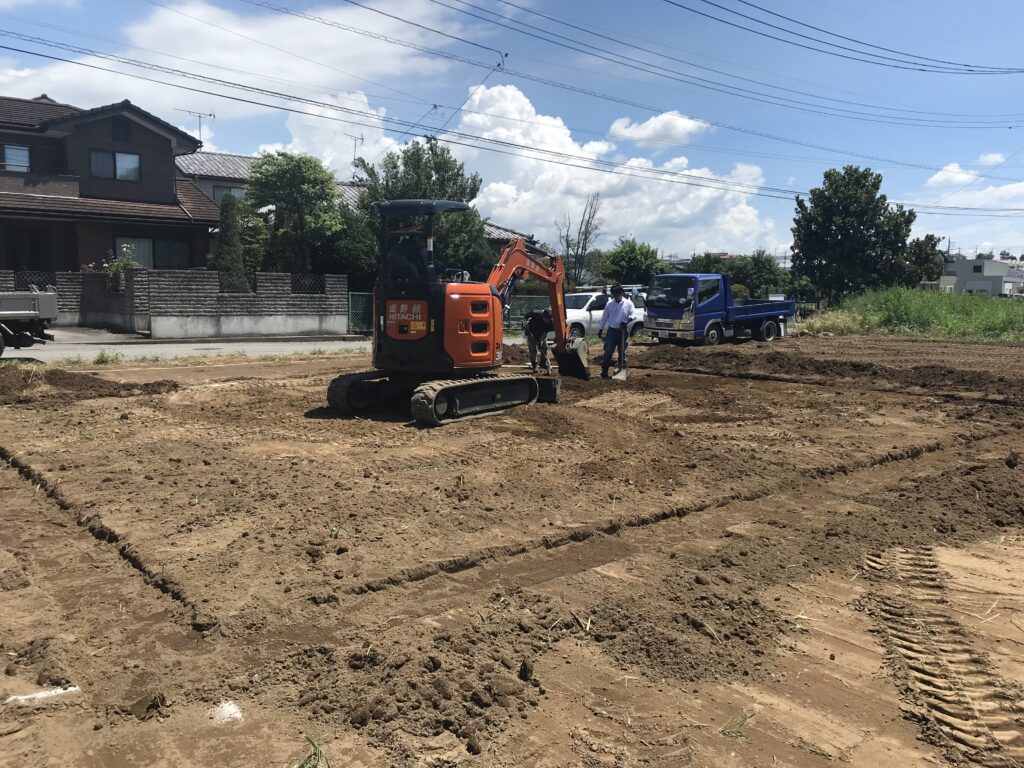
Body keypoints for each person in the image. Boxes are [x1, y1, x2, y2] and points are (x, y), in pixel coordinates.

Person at [597, 285, 636, 378]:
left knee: (622, 352)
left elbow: (634, 314)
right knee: (608, 351)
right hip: (612, 332)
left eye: (618, 293)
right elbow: (604, 318)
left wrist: (627, 320)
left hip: (623, 331)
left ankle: (619, 374)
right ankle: (604, 373)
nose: (616, 296)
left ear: (622, 293)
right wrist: (600, 329)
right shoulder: (609, 304)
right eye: (614, 294)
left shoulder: (628, 303)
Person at [523, 308, 554, 373]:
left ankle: (543, 363)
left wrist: (540, 341)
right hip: (531, 332)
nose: (547, 321)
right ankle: (534, 365)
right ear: (543, 316)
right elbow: (526, 315)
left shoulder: (551, 322)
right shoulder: (536, 313)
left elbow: (545, 333)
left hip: (541, 334)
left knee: (544, 347)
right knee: (532, 349)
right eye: (546, 319)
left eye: (548, 320)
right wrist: (525, 324)